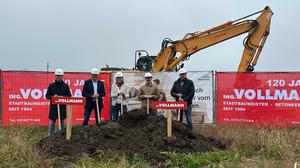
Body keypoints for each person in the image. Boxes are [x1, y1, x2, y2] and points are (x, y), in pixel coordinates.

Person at [45, 68, 71, 136]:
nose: (58, 77)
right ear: (55, 76)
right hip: (53, 107)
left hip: (62, 107)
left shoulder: (65, 86)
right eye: (57, 75)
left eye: (60, 76)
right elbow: (47, 96)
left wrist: (62, 97)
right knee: (52, 122)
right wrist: (53, 97)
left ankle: (62, 136)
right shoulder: (51, 85)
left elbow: (69, 96)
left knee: (62, 122)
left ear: (62, 76)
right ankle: (50, 136)